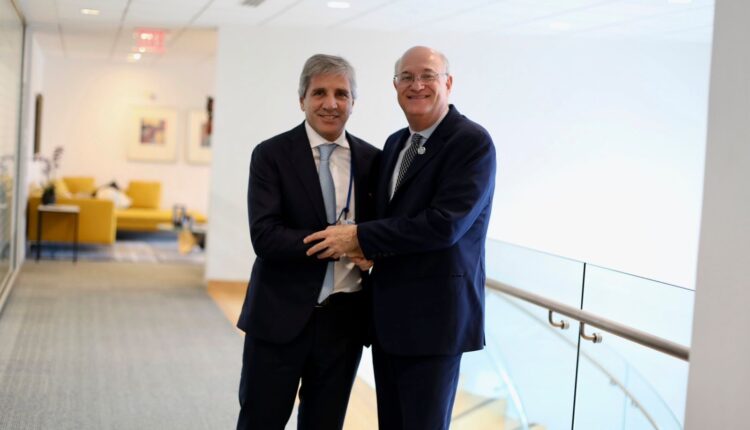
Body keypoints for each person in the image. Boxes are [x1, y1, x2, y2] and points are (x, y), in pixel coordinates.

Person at [304, 46, 496, 430]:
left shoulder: (471, 142)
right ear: (395, 86)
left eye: (427, 75)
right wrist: (368, 249)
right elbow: (390, 217)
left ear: (448, 83)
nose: (416, 85)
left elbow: (444, 225)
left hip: (435, 322)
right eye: (406, 77)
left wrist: (360, 237)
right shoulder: (395, 144)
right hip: (389, 320)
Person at [236, 54, 380, 430]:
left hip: (344, 323)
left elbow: (379, 234)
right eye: (319, 93)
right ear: (302, 99)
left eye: (341, 94)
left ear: (353, 102)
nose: (330, 103)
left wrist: (368, 248)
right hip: (279, 317)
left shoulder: (373, 161)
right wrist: (338, 241)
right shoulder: (271, 155)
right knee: (260, 421)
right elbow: (265, 236)